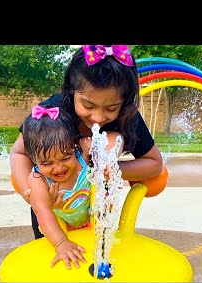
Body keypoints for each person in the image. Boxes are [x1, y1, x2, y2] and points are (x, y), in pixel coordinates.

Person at [11, 44, 163, 240]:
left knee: (97, 256)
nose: (99, 117)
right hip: (54, 207)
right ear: (71, 90)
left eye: (111, 107)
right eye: (88, 105)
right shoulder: (54, 112)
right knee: (53, 259)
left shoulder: (127, 116)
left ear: (123, 102)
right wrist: (31, 193)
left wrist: (105, 169)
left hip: (95, 206)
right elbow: (19, 152)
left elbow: (154, 164)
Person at [22, 104, 123, 270]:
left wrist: (108, 160)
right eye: (47, 163)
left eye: (65, 157)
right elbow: (43, 213)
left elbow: (115, 138)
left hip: (94, 220)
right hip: (64, 227)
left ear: (74, 145)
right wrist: (61, 242)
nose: (59, 168)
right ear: (32, 157)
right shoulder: (37, 179)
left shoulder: (82, 151)